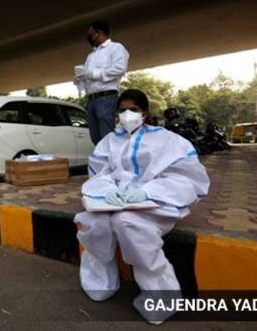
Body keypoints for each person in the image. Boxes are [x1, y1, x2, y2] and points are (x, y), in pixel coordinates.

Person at [74, 89, 210, 324]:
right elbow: (98, 173)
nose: (127, 114)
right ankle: (99, 281)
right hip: (115, 201)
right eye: (122, 110)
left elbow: (187, 178)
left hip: (153, 203)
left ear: (144, 113)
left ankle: (161, 295)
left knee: (127, 223)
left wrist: (148, 191)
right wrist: (107, 190)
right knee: (95, 222)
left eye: (133, 110)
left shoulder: (167, 140)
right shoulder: (109, 142)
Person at [74, 20, 129, 145]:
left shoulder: (116, 48)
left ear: (98, 33)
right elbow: (88, 76)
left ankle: (111, 158)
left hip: (106, 97)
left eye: (91, 33)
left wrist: (94, 74)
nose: (89, 37)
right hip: (91, 99)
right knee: (96, 138)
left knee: (107, 137)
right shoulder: (91, 55)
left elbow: (120, 68)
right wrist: (80, 79)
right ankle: (101, 158)